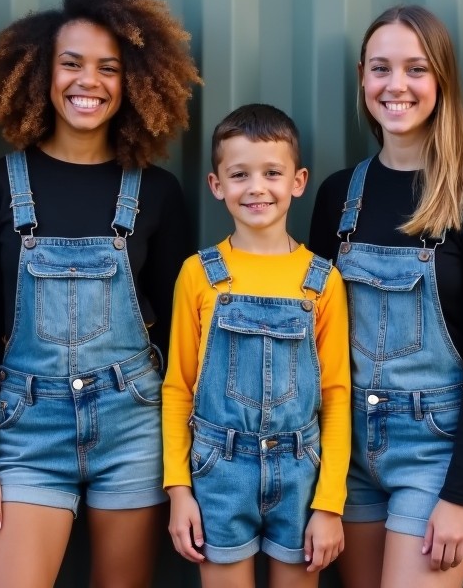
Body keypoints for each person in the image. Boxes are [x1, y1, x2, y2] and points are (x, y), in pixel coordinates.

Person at [0, 0, 200, 587]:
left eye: (110, 68)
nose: (87, 81)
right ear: (41, 74)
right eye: (71, 63)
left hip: (135, 424)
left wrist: (183, 463)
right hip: (26, 430)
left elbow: (181, 337)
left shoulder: (158, 193)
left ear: (136, 83)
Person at [308, 5, 463, 588]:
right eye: (381, 69)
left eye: (416, 69)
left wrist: (457, 496)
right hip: (346, 451)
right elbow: (314, 337)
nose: (396, 86)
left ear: (441, 81)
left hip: (436, 451)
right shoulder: (336, 197)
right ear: (362, 78)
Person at [163, 104, 351, 588]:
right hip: (218, 471)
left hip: (299, 475)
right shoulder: (199, 274)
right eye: (239, 174)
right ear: (216, 184)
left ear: (298, 180)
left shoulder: (322, 280)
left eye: (272, 173)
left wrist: (329, 504)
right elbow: (178, 387)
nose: (256, 188)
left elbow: (335, 394)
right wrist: (179, 490)